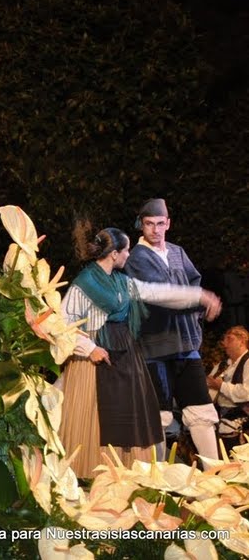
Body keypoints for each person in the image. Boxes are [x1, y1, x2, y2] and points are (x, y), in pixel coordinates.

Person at [58, 226, 220, 478]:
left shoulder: (122, 282)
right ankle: (94, 477)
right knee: (95, 418)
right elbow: (64, 322)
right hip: (94, 358)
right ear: (114, 254)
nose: (129, 255)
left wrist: (199, 295)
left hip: (124, 354)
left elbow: (158, 293)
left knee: (131, 415)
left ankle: (128, 477)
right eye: (127, 250)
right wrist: (89, 348)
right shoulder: (84, 284)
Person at [124, 198, 220, 461]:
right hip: (155, 348)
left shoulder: (178, 252)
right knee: (160, 417)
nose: (155, 230)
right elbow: (163, 295)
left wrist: (200, 310)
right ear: (141, 226)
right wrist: (199, 298)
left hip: (186, 346)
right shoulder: (136, 258)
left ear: (168, 224)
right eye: (149, 224)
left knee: (201, 410)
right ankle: (157, 481)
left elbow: (194, 281)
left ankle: (215, 474)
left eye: (160, 223)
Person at [206, 326, 249, 455]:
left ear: (242, 340)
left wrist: (221, 386)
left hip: (242, 421)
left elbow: (247, 392)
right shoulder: (222, 365)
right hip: (219, 420)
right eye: (224, 340)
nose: (224, 344)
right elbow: (209, 390)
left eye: (229, 339)